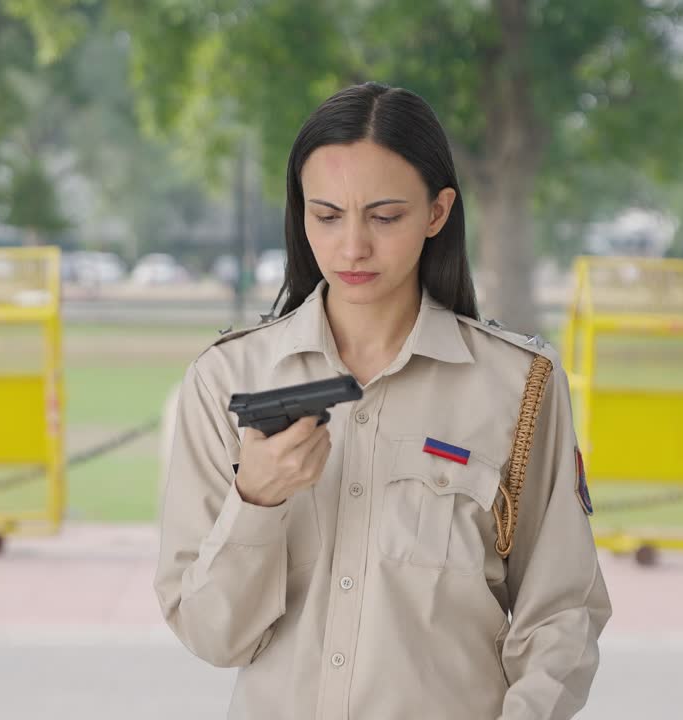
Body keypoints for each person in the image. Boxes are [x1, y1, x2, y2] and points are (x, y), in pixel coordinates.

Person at [154, 81, 611, 720]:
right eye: (327, 215)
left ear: (437, 212)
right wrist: (256, 500)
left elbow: (561, 610)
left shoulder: (520, 386)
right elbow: (213, 637)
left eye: (385, 216)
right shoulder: (226, 379)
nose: (352, 247)